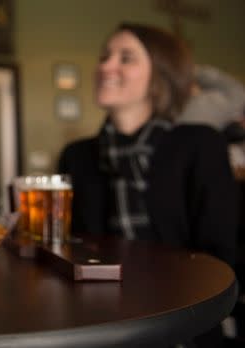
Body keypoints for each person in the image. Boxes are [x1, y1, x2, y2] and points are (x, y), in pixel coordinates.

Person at [58, 22, 237, 346]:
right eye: (105, 56)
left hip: (187, 328)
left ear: (160, 76)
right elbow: (69, 252)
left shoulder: (199, 144)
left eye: (126, 58)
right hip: (96, 327)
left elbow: (222, 258)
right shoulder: (76, 156)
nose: (106, 66)